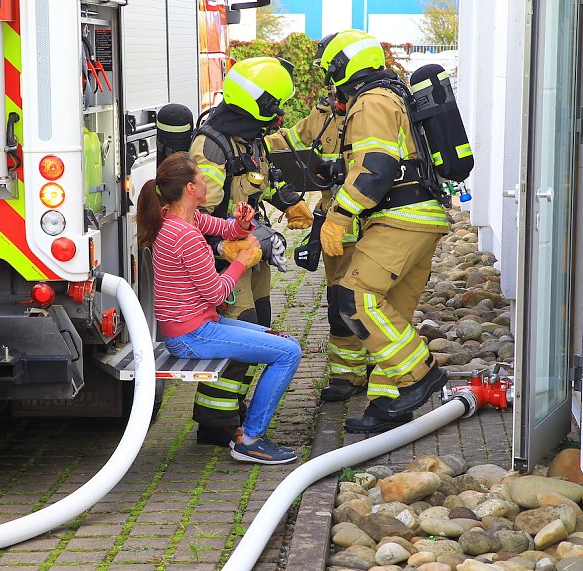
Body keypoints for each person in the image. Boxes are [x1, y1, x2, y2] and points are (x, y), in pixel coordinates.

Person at [314, 30, 451, 433]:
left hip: (399, 218)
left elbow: (375, 167)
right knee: (393, 313)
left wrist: (339, 215)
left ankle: (422, 377)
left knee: (355, 298)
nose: (330, 79)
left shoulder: (371, 101)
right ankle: (388, 406)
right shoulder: (394, 94)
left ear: (343, 66)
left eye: (330, 69)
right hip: (422, 217)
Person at [135, 151, 302, 464]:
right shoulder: (185, 236)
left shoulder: (185, 219)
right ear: (190, 189)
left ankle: (246, 431)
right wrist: (242, 261)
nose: (205, 182)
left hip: (196, 327)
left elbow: (227, 231)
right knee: (288, 353)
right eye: (200, 178)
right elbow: (216, 293)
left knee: (283, 341)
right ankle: (251, 440)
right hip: (192, 335)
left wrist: (242, 223)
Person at [188, 56, 313, 446]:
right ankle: (215, 425)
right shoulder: (211, 144)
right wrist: (227, 246)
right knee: (243, 337)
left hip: (252, 250)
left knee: (261, 320)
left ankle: (231, 412)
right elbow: (195, 215)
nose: (278, 114)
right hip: (223, 261)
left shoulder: (248, 136)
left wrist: (291, 201)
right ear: (254, 102)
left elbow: (262, 180)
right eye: (274, 105)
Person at [265, 90, 371, 402]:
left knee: (373, 303)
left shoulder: (377, 107)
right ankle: (346, 375)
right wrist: (245, 138)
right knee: (340, 303)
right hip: (337, 231)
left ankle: (382, 369)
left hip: (377, 226)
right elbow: (290, 142)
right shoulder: (325, 115)